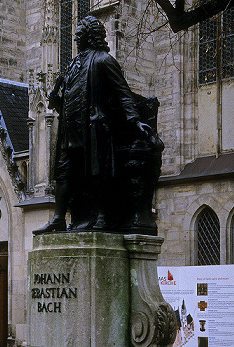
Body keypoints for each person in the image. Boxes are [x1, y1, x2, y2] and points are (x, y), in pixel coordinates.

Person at [34, 15, 150, 234]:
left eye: (80, 31)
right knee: (64, 174)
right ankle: (59, 218)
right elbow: (66, 101)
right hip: (71, 131)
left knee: (97, 174)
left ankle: (102, 216)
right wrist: (55, 100)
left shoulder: (103, 60)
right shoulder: (72, 66)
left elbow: (122, 94)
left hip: (94, 129)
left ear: (90, 35)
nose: (76, 35)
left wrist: (135, 121)